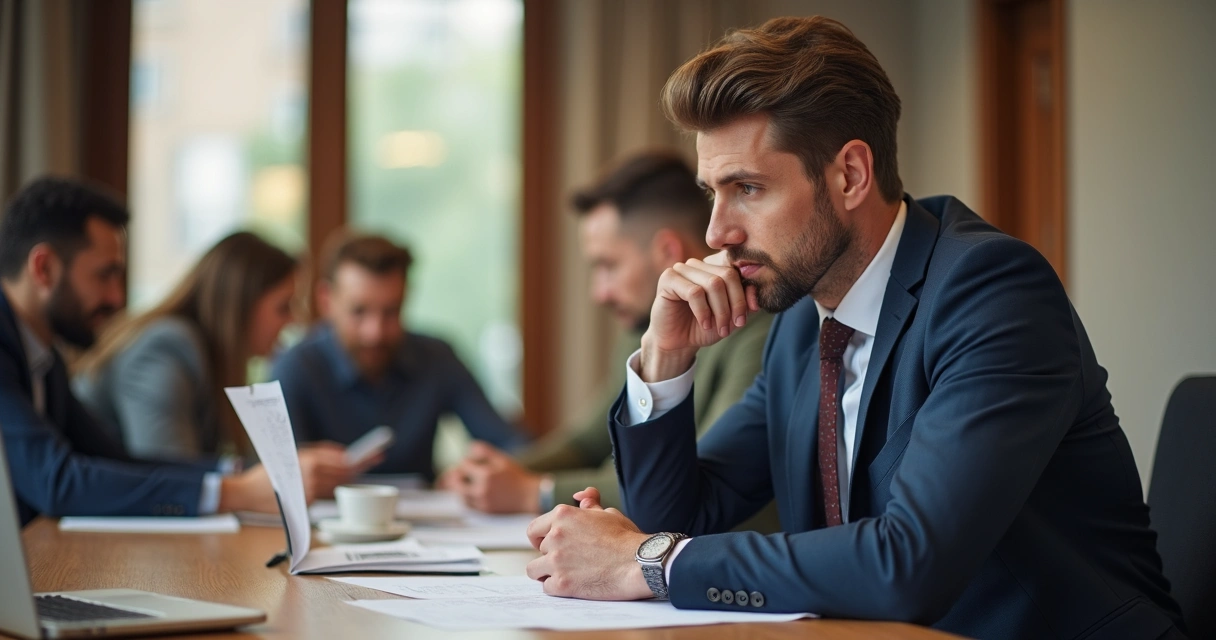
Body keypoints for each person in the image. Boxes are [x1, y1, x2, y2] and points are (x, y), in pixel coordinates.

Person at [522, 17, 1185, 639]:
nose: (716, 233)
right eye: (711, 192)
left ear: (850, 174)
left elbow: (909, 563)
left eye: (748, 188)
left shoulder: (993, 292)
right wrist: (664, 358)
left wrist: (649, 562)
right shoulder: (804, 324)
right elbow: (682, 516)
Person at [0, 177, 357, 526]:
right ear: (43, 268)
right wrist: (237, 492)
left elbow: (120, 461)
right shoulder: (166, 346)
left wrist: (260, 474)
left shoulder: (44, 359)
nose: (117, 298)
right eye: (104, 275)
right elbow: (57, 482)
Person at [441, 152, 774, 519]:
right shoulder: (644, 332)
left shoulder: (762, 330)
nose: (598, 293)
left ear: (667, 251)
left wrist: (533, 492)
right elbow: (586, 443)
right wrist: (493, 473)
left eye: (608, 266)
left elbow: (697, 479)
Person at [271, 232, 528, 480]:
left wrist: (475, 473)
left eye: (391, 312)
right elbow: (280, 476)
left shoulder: (437, 358)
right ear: (327, 300)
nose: (375, 333)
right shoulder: (295, 368)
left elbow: (508, 442)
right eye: (359, 311)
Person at [74, 232, 302, 462]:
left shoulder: (208, 355)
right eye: (284, 307)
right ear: (240, 305)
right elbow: (170, 474)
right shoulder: (168, 347)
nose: (294, 320)